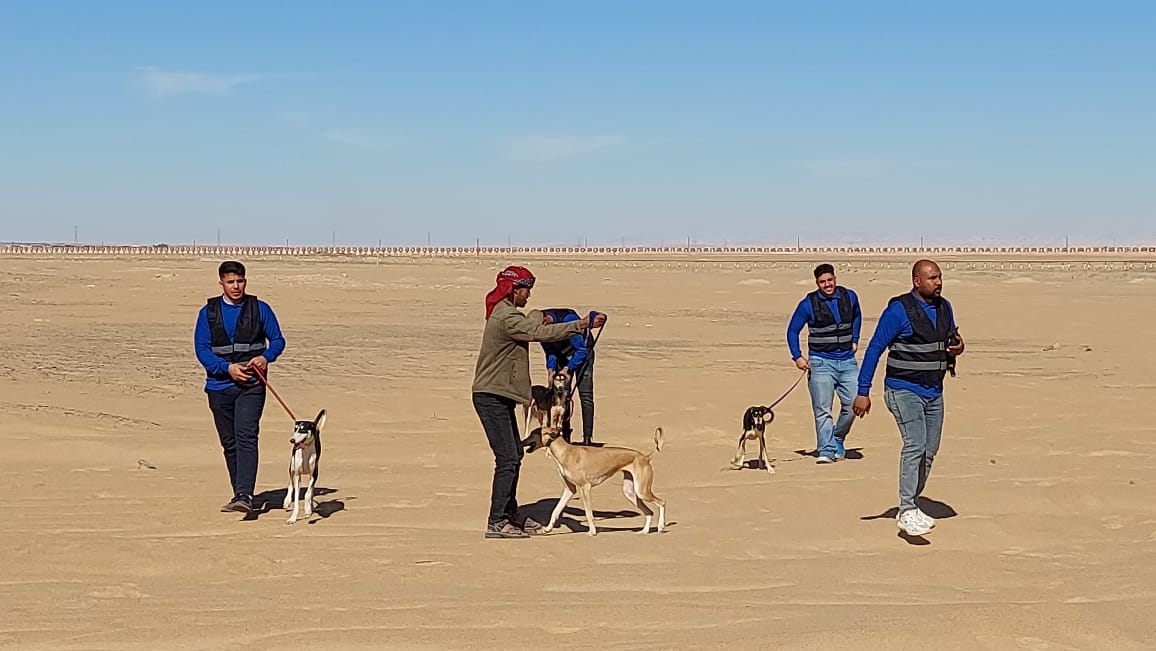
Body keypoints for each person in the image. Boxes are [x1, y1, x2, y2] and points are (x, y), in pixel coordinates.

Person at [471, 266, 606, 539]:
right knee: (508, 458)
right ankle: (497, 521)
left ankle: (511, 515)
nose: (529, 294)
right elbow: (536, 331)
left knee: (515, 455)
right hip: (490, 397)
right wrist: (579, 325)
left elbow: (532, 320)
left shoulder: (507, 312)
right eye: (526, 289)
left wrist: (543, 316)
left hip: (501, 396)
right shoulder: (507, 317)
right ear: (513, 289)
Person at [853, 259, 965, 537]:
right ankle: (905, 510)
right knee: (915, 444)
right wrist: (863, 392)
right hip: (903, 390)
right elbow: (875, 348)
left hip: (934, 391)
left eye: (939, 277)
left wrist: (958, 347)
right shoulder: (898, 311)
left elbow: (952, 339)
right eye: (932, 278)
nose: (938, 282)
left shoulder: (944, 307)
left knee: (929, 450)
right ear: (916, 281)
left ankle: (913, 504)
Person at [194, 260, 286, 514]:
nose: (236, 286)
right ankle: (239, 493)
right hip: (219, 386)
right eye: (231, 282)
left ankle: (245, 494)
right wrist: (227, 368)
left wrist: (266, 357)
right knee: (230, 442)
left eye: (240, 281)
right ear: (221, 283)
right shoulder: (208, 313)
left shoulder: (260, 308)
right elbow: (201, 349)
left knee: (246, 436)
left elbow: (277, 340)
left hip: (252, 386)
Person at [787, 263, 863, 463]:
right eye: (822, 282)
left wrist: (855, 338)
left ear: (835, 279)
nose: (827, 285)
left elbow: (857, 316)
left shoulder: (850, 296)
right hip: (821, 362)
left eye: (830, 280)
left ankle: (838, 436)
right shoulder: (808, 304)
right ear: (817, 283)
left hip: (847, 361)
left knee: (854, 403)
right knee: (823, 409)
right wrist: (797, 357)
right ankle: (826, 450)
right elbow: (792, 331)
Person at [540, 308, 598, 446]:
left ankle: (587, 439)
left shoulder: (568, 320)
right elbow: (550, 350)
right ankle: (565, 435)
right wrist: (551, 369)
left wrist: (568, 368)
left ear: (546, 320)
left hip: (583, 352)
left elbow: (581, 350)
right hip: (561, 354)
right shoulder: (541, 329)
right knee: (562, 395)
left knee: (585, 395)